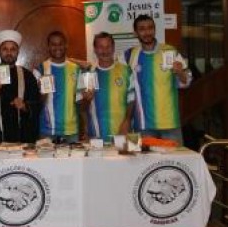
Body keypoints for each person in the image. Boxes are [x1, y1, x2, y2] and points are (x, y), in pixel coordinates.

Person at [123, 15, 192, 143]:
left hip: (169, 122)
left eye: (150, 28)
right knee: (145, 157)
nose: (147, 32)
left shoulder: (170, 51)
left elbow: (186, 82)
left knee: (174, 156)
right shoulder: (130, 54)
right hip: (143, 123)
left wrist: (180, 72)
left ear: (154, 29)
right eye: (142, 29)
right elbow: (111, 66)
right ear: (135, 33)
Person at [82, 32, 134, 143]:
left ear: (113, 48)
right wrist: (86, 100)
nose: (105, 51)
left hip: (123, 133)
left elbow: (132, 101)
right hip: (96, 136)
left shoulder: (126, 70)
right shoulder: (88, 73)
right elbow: (83, 108)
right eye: (100, 47)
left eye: (108, 46)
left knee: (127, 155)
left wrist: (127, 122)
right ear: (95, 49)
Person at [33, 31, 82, 144]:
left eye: (60, 44)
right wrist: (42, 94)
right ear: (48, 47)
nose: (57, 47)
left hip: (71, 131)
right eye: (53, 44)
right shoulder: (40, 69)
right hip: (47, 130)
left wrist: (87, 98)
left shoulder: (76, 69)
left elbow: (80, 102)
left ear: (66, 45)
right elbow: (36, 104)